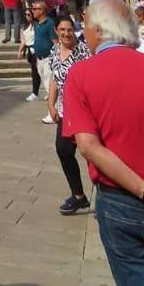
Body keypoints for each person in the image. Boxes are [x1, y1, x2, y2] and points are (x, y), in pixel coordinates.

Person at [62, 0, 144, 286]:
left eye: (85, 26)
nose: (82, 34)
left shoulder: (81, 74)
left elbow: (88, 146)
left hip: (123, 201)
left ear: (99, 31)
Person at [46, 17, 91, 214]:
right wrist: (51, 103)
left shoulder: (84, 51)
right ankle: (78, 195)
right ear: (57, 31)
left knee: (92, 153)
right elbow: (55, 79)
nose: (66, 34)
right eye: (62, 30)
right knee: (63, 150)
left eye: (70, 30)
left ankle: (107, 194)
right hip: (65, 110)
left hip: (85, 110)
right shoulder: (55, 51)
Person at [31, 0, 57, 123]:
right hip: (39, 59)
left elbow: (55, 41)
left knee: (49, 87)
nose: (33, 11)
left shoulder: (49, 23)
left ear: (42, 11)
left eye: (35, 9)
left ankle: (52, 114)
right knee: (46, 85)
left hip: (48, 58)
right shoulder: (37, 24)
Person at [17, 9, 42, 102]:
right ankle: (35, 93)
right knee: (34, 72)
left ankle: (36, 92)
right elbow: (23, 40)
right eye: (26, 14)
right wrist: (20, 51)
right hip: (30, 51)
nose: (27, 16)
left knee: (39, 72)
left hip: (37, 50)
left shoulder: (37, 25)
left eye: (29, 14)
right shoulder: (24, 27)